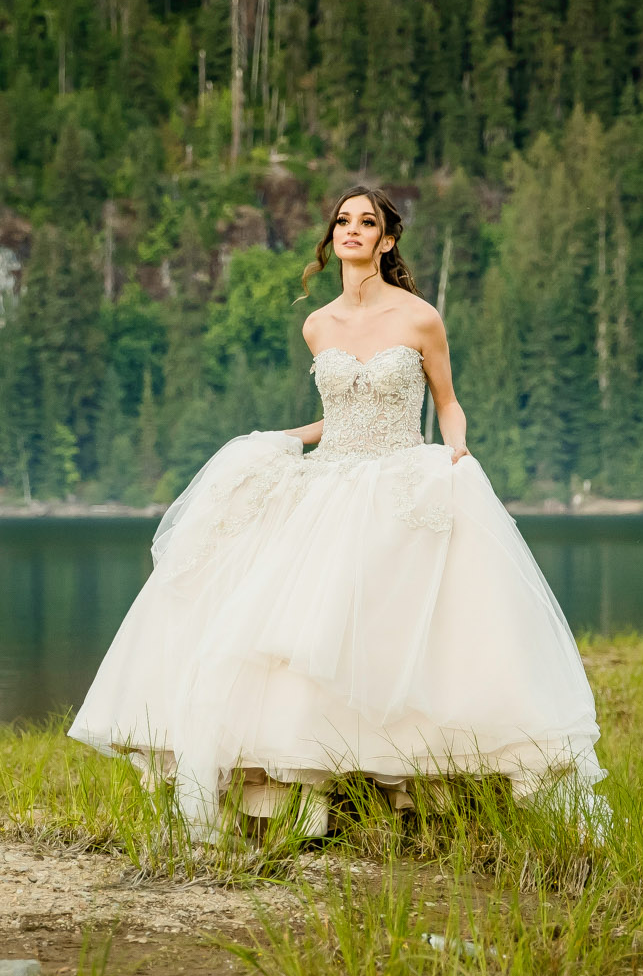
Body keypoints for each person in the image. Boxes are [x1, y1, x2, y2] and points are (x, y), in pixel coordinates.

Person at [69, 185, 607, 840]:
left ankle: (420, 793)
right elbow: (338, 416)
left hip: (401, 475)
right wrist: (278, 441)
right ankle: (308, 797)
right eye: (343, 221)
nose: (353, 230)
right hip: (330, 482)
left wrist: (457, 447)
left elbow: (447, 401)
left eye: (367, 221)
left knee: (402, 631)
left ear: (386, 240)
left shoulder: (419, 317)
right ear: (333, 238)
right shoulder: (317, 324)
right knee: (294, 634)